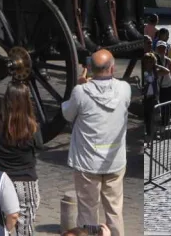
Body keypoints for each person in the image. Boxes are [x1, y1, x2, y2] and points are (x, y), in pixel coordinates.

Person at [61, 50, 131, 236]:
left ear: (90, 68)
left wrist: (81, 85)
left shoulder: (80, 92)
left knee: (87, 212)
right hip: (114, 161)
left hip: (87, 162)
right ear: (112, 68)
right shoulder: (124, 88)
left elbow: (68, 114)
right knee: (115, 211)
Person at [0, 84, 44, 236]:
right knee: (25, 228)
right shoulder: (32, 127)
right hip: (26, 182)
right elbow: (40, 146)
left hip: (0, 181)